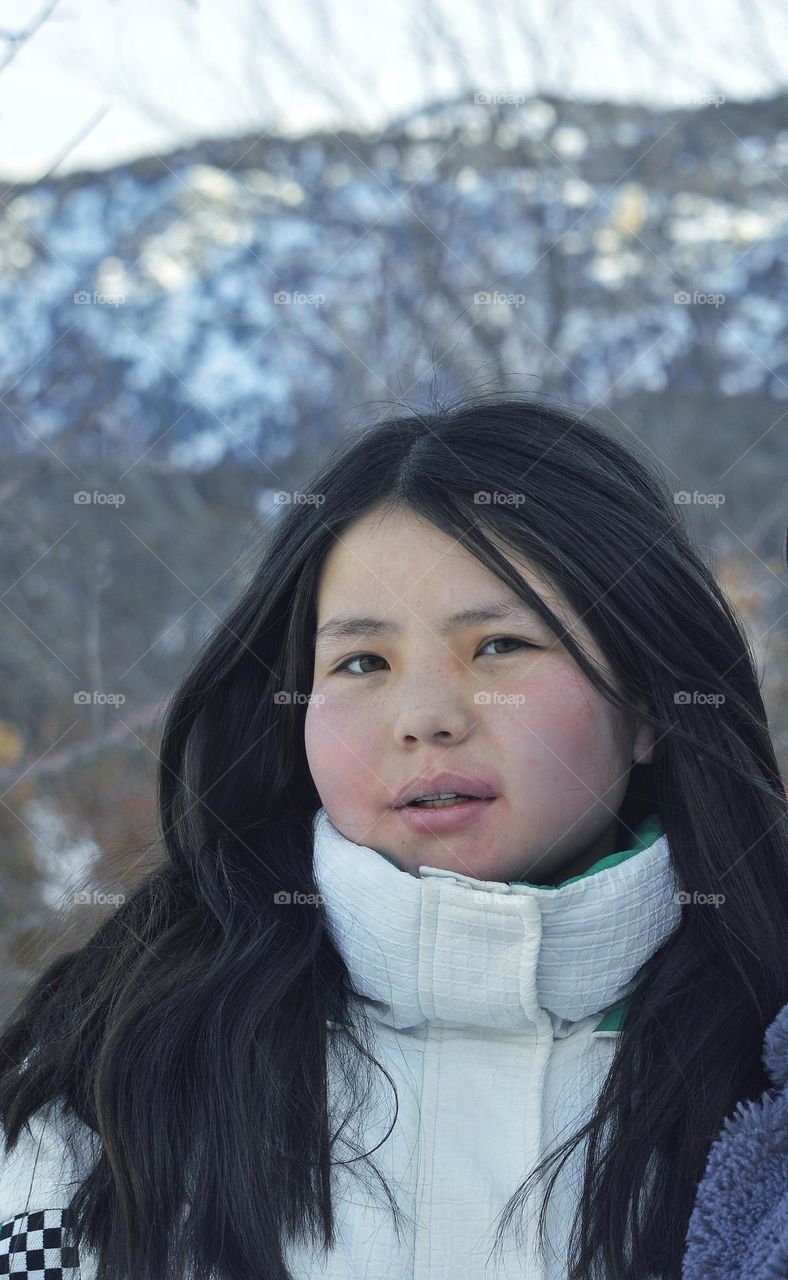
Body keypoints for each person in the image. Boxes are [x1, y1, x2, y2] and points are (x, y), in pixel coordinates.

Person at [1, 393, 786, 1280]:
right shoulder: (112, 1081)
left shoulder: (767, 1065)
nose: (426, 716)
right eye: (363, 662)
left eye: (500, 646)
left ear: (645, 702)